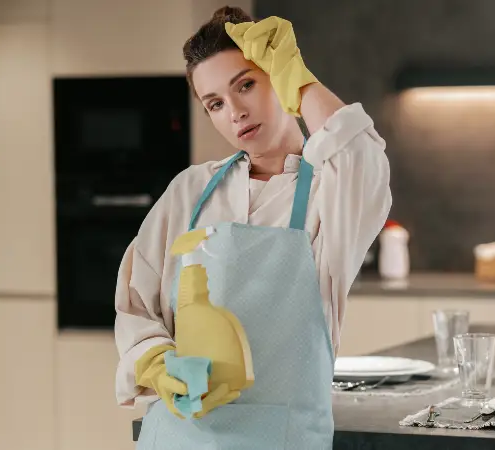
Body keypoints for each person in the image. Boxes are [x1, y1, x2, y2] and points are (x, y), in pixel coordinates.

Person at [114, 6, 392, 449]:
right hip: (176, 437)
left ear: (277, 79)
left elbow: (363, 157)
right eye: (215, 104)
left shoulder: (330, 191)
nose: (236, 112)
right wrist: (159, 365)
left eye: (246, 85)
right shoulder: (190, 191)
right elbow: (136, 305)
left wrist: (299, 81)